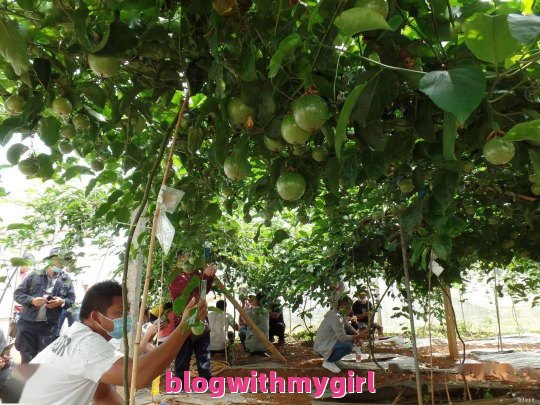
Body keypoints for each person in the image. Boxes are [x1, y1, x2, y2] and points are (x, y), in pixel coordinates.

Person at [12, 280, 206, 404]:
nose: (126, 319)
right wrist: (185, 327)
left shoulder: (77, 336)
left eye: (126, 312)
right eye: (118, 313)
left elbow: (102, 394)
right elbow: (138, 375)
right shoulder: (87, 345)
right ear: (96, 317)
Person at [13, 248, 76, 363]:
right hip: (28, 324)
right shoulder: (34, 274)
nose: (61, 264)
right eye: (59, 260)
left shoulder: (66, 279)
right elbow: (17, 294)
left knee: (45, 360)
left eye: (64, 261)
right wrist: (31, 300)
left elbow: (71, 300)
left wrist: (61, 302)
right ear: (51, 260)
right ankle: (26, 380)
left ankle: (39, 380)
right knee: (27, 359)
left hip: (49, 327)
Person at [169, 250, 217, 385]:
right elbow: (193, 293)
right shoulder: (176, 279)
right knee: (183, 358)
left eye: (191, 256)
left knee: (204, 356)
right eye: (185, 257)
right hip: (183, 323)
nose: (189, 259)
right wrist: (205, 277)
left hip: (200, 320)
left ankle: (205, 383)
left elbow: (203, 293)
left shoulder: (197, 274)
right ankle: (181, 384)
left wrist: (208, 276)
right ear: (179, 260)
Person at [314, 296, 366, 373]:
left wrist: (358, 336)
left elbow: (349, 327)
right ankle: (328, 361)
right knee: (348, 346)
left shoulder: (339, 313)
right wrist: (358, 336)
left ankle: (335, 359)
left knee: (351, 340)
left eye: (350, 307)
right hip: (322, 345)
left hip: (328, 342)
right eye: (348, 307)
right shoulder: (336, 317)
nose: (350, 310)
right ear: (341, 306)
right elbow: (342, 338)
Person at [244, 292, 270, 356]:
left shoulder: (250, 312)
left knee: (243, 332)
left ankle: (249, 351)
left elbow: (246, 323)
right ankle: (261, 351)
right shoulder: (266, 311)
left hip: (251, 345)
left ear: (256, 301)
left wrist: (244, 309)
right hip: (265, 345)